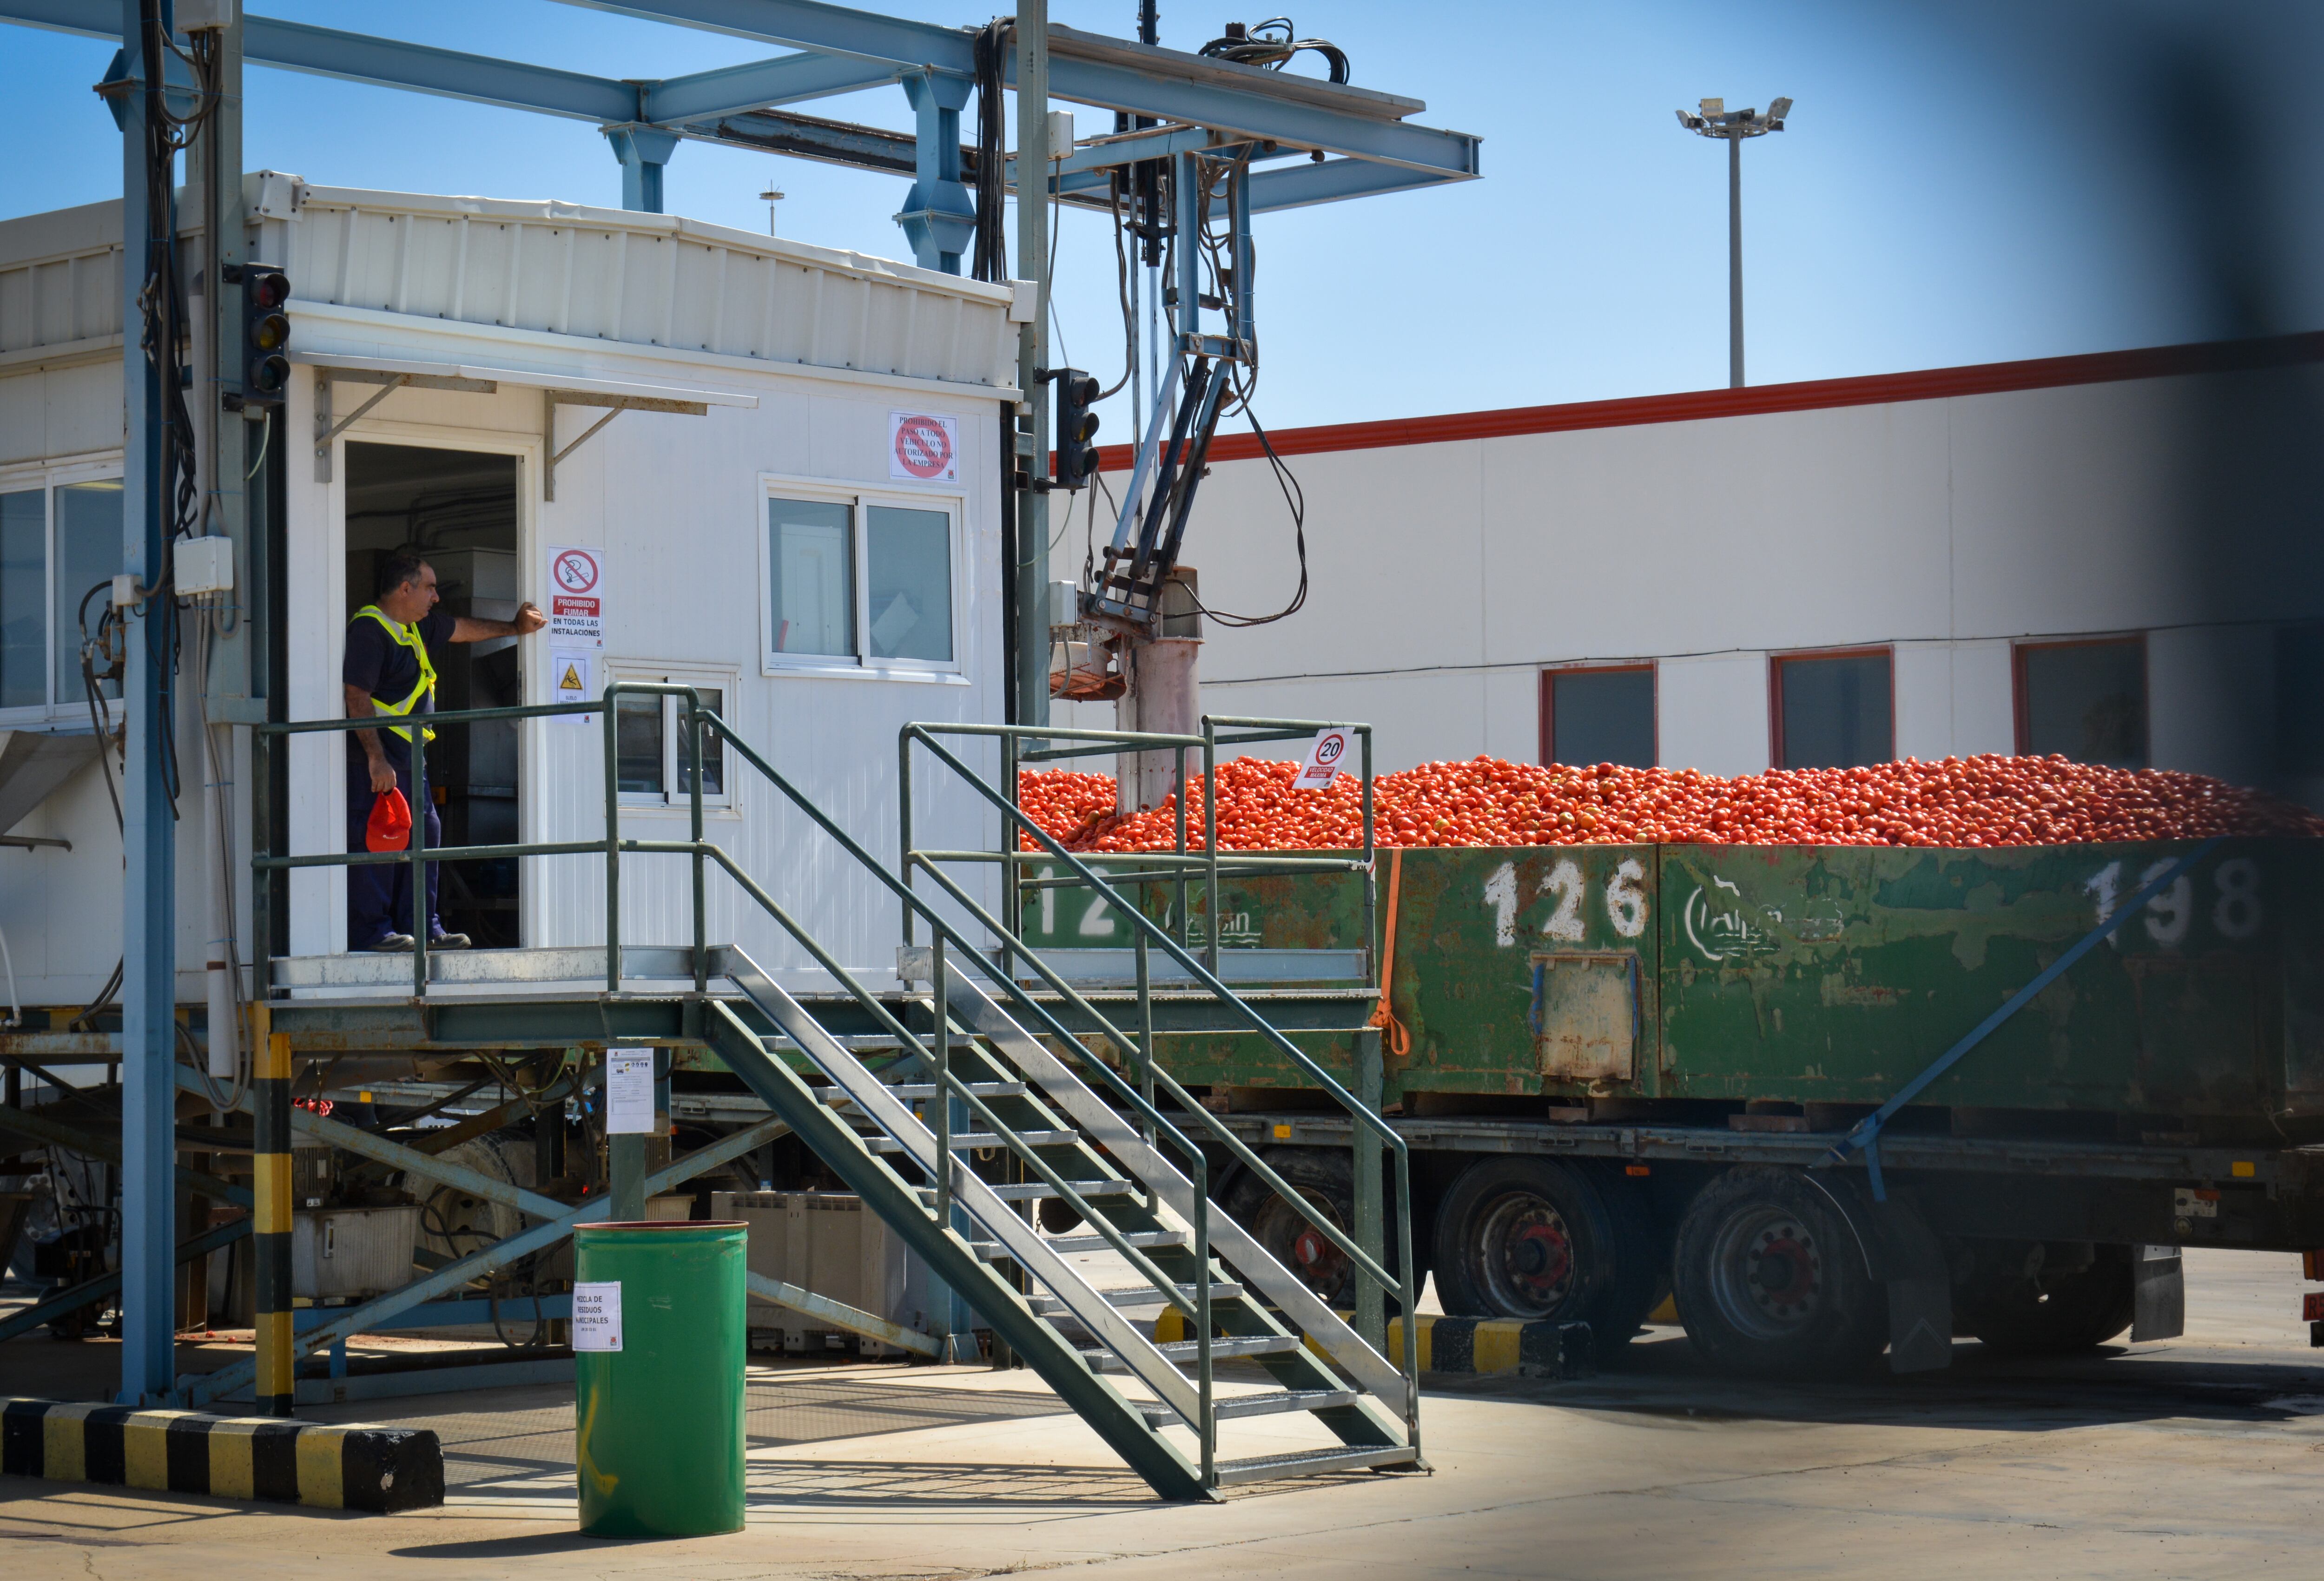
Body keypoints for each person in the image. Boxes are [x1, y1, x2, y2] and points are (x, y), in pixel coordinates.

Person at [345, 550, 545, 952]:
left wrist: (515, 628)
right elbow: (356, 694)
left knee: (425, 833)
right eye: (430, 588)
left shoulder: (416, 626)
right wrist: (376, 758)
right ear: (406, 589)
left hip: (409, 757)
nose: (436, 597)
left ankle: (422, 928)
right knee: (384, 836)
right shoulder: (371, 630)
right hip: (380, 758)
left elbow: (464, 629)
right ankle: (373, 932)